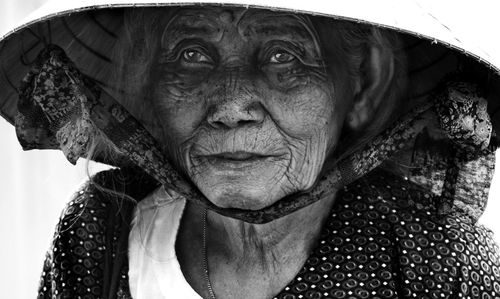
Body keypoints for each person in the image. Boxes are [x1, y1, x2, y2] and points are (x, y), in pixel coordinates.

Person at [1, 2, 500, 299]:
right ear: (149, 86)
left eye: (285, 56)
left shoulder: (437, 260)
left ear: (362, 87)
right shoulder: (100, 227)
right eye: (192, 55)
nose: (232, 105)